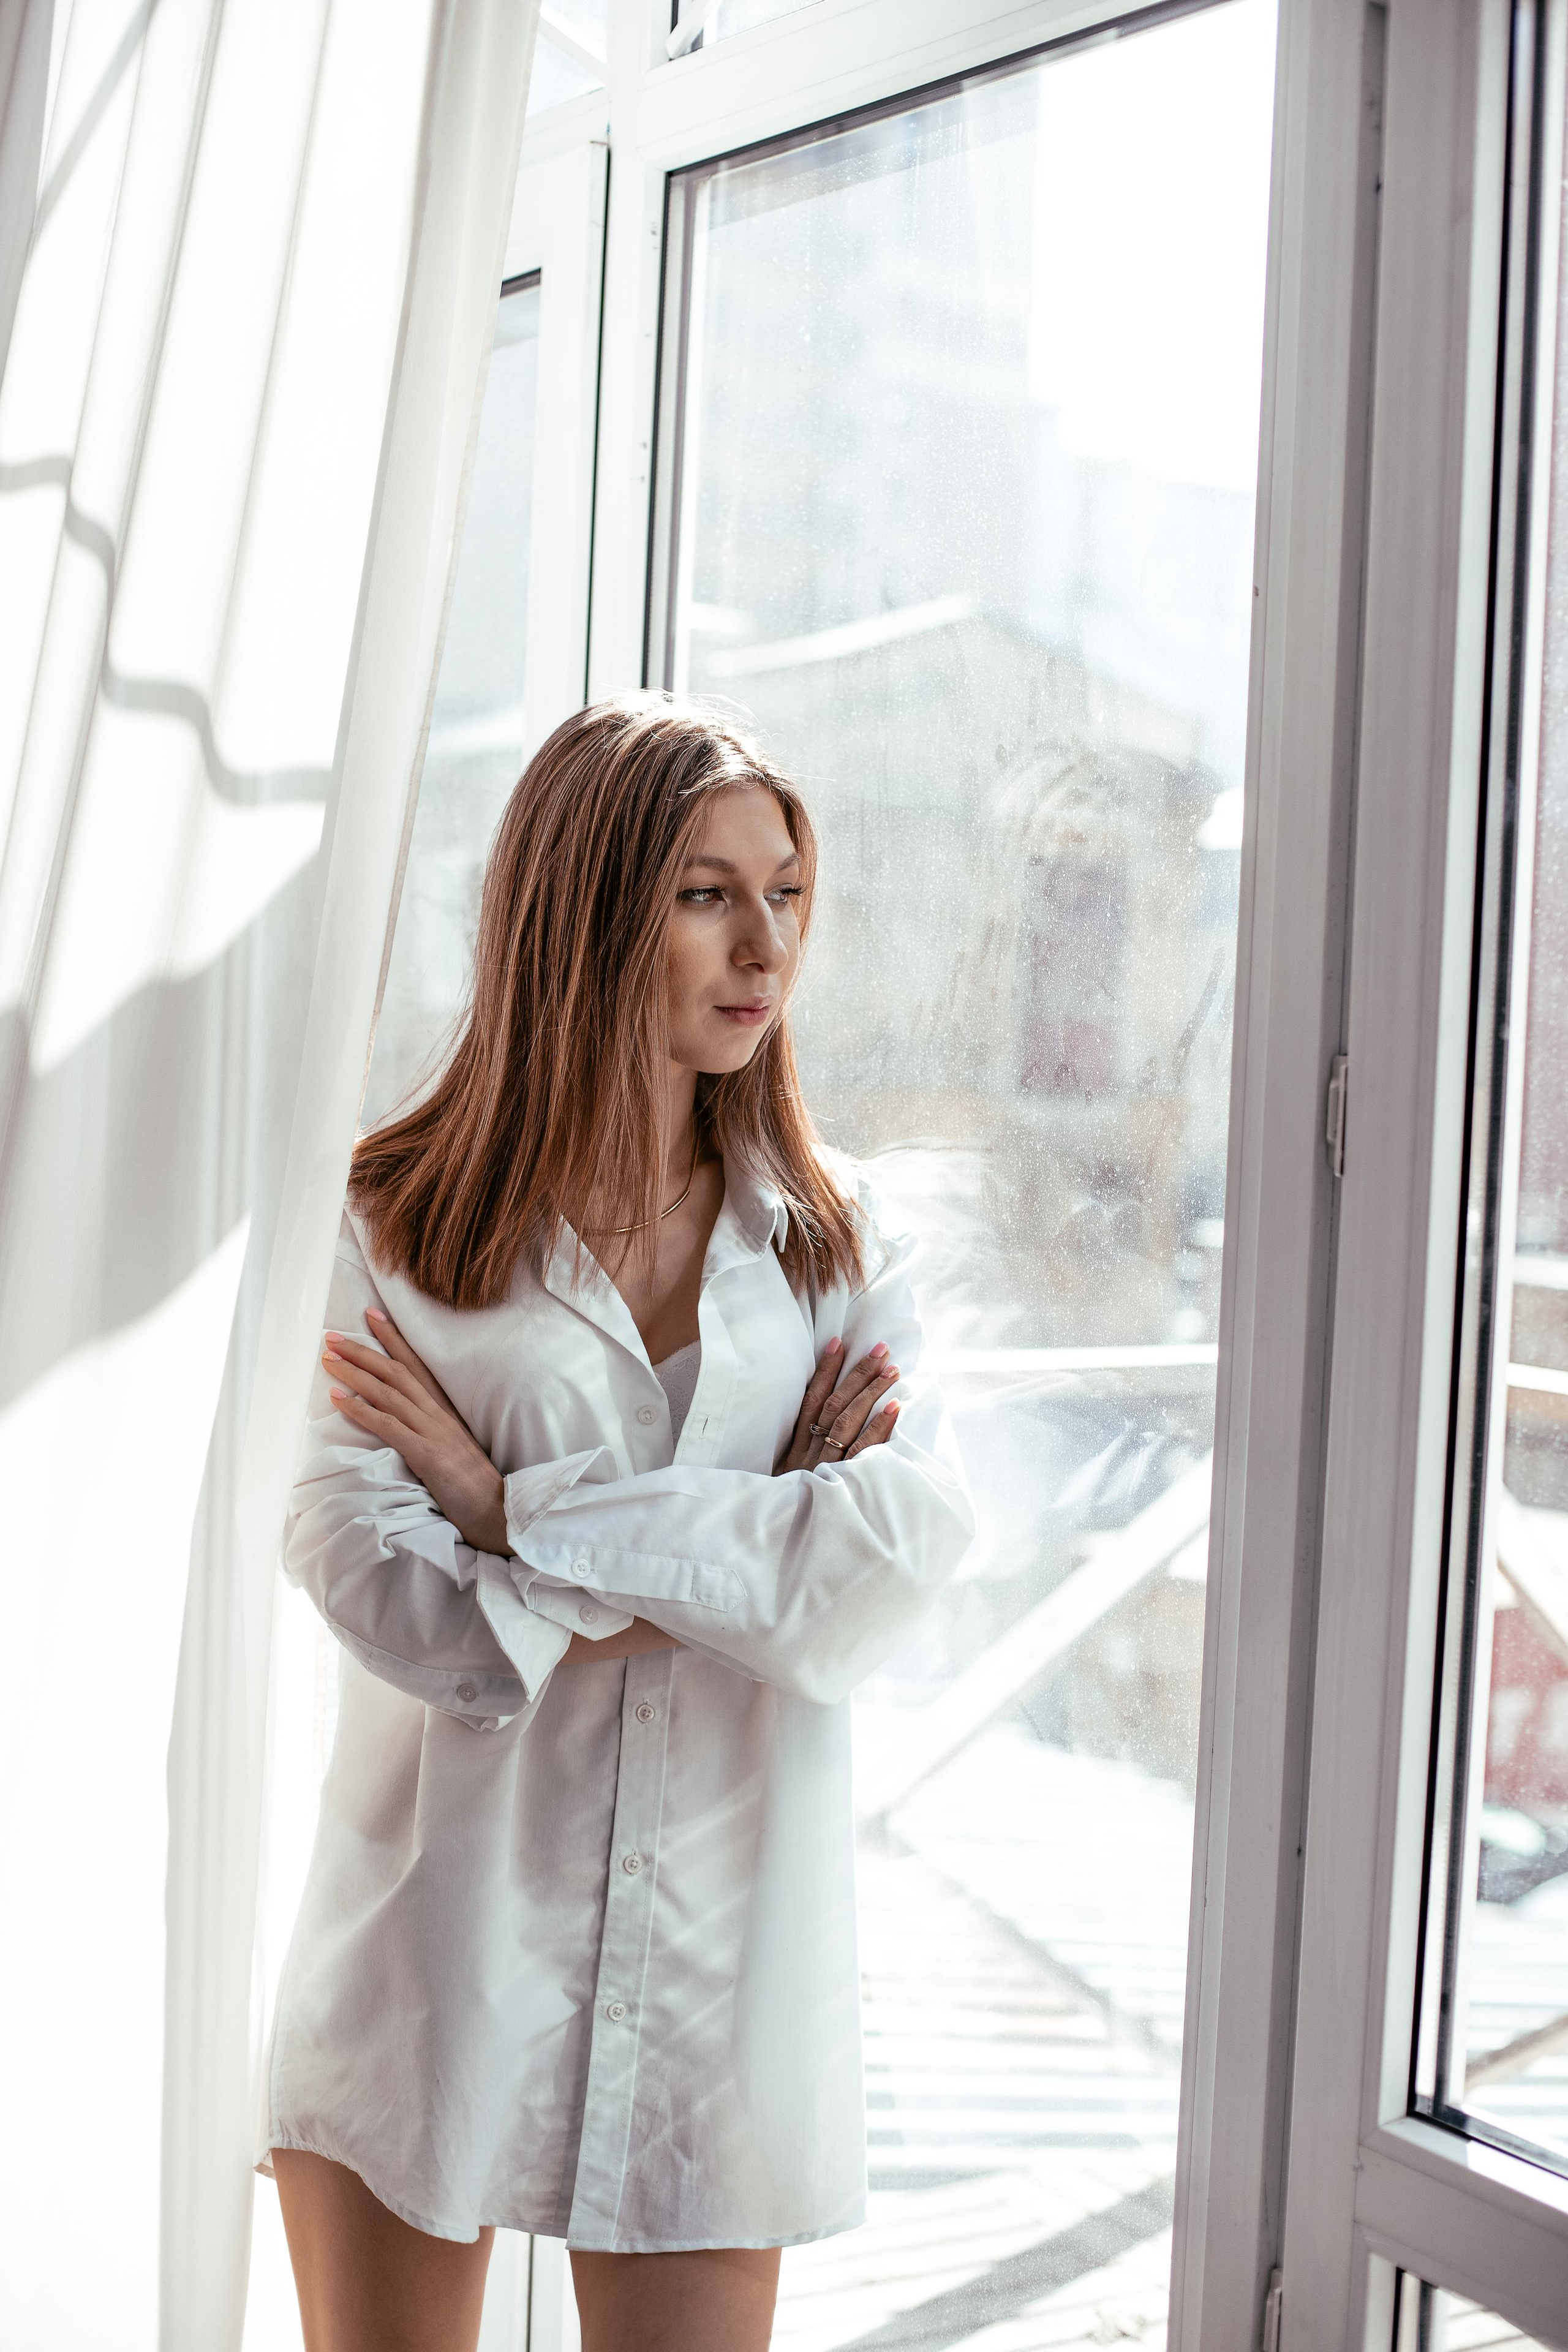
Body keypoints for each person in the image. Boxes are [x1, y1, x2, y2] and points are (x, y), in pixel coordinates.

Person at [261, 693, 974, 2351]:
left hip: (719, 2000)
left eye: (786, 894)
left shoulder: (841, 1243)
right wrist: (744, 1549)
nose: (766, 947)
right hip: (423, 1965)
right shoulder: (390, 1220)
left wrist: (508, 1509)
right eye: (707, 894)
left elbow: (882, 1569)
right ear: (583, 912)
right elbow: (375, 1585)